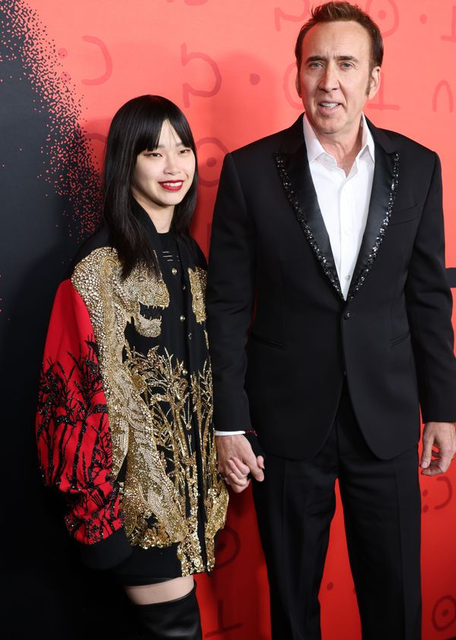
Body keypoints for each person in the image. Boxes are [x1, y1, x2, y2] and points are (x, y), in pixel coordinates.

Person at [206, 3, 456, 639]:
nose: (329, 81)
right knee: (293, 608)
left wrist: (441, 406)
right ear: (297, 74)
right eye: (315, 63)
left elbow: (428, 297)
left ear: (373, 78)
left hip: (387, 417)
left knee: (396, 601)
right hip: (287, 423)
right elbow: (228, 306)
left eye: (347, 64)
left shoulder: (420, 167)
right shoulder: (248, 172)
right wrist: (230, 421)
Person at [36, 95, 228, 639]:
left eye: (183, 149)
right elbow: (65, 402)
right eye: (153, 152)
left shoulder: (191, 256)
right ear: (127, 161)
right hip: (129, 511)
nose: (173, 165)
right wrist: (99, 520)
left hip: (190, 505)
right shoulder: (97, 268)